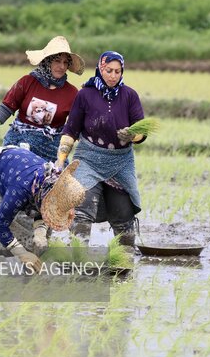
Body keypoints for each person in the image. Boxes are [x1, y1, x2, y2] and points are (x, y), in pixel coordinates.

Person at [55, 51, 146, 247]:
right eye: (109, 70)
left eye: (118, 71)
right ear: (100, 68)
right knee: (82, 206)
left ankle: (124, 263)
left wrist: (132, 135)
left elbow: (142, 130)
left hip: (120, 161)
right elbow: (71, 130)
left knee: (124, 215)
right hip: (89, 158)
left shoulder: (129, 96)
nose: (113, 75)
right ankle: (77, 259)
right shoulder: (85, 95)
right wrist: (61, 159)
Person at [0, 146, 86, 272]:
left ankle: (28, 278)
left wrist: (40, 231)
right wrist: (22, 254)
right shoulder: (20, 190)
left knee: (35, 237)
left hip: (12, 169)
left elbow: (43, 207)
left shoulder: (50, 180)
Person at [0, 36, 85, 162]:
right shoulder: (27, 82)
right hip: (18, 145)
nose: (62, 66)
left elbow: (77, 125)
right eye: (57, 61)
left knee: (61, 179)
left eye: (65, 62)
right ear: (47, 61)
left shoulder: (72, 93)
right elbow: (6, 108)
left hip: (50, 152)